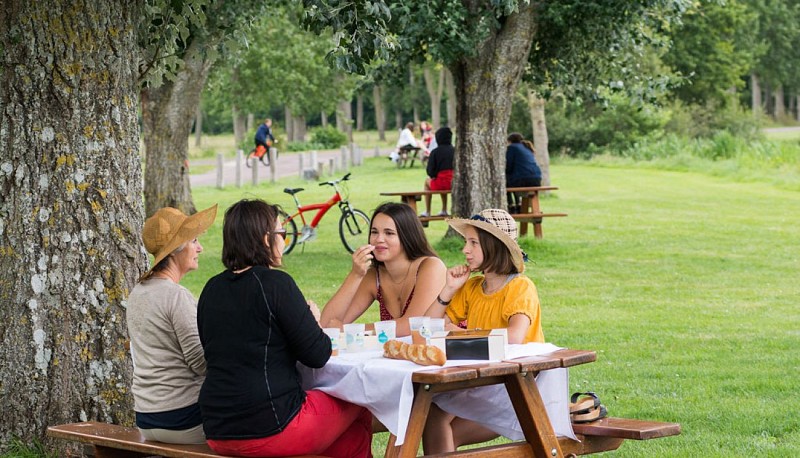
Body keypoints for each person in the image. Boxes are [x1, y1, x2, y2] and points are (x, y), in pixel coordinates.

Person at [197, 200, 372, 458]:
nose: (284, 240)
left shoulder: (211, 288)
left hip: (216, 428)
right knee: (360, 398)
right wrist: (312, 320)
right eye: (282, 233)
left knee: (352, 437)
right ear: (265, 239)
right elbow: (318, 354)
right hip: (272, 425)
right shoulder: (276, 284)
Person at [422, 208, 544, 454]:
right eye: (466, 242)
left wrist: (459, 332)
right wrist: (449, 289)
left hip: (516, 389)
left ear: (494, 245)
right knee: (430, 412)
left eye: (473, 243)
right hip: (483, 381)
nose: (465, 250)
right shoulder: (473, 287)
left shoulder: (520, 287)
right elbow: (428, 325)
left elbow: (514, 337)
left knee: (437, 423)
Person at [126, 204, 218, 444]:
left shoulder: (138, 292)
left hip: (146, 417)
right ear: (176, 251)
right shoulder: (176, 296)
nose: (200, 247)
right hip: (184, 419)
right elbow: (200, 364)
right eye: (194, 241)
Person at [320, 202, 446, 337]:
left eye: (389, 233)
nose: (379, 239)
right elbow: (326, 324)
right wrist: (355, 274)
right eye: (374, 232)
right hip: (400, 355)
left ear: (407, 236)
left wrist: (348, 330)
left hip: (451, 352)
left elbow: (412, 326)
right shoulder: (374, 275)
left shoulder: (431, 267)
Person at [421, 127, 455, 217]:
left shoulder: (435, 152)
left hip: (440, 183)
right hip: (454, 183)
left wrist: (434, 175)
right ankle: (444, 209)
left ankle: (428, 211)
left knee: (427, 182)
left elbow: (430, 171)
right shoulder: (455, 150)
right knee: (444, 183)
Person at [505, 133, 542, 214]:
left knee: (506, 181)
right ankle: (518, 205)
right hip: (537, 179)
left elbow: (508, 166)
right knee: (513, 179)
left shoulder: (512, 148)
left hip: (524, 180)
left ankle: (511, 206)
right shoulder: (526, 147)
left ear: (509, 141)